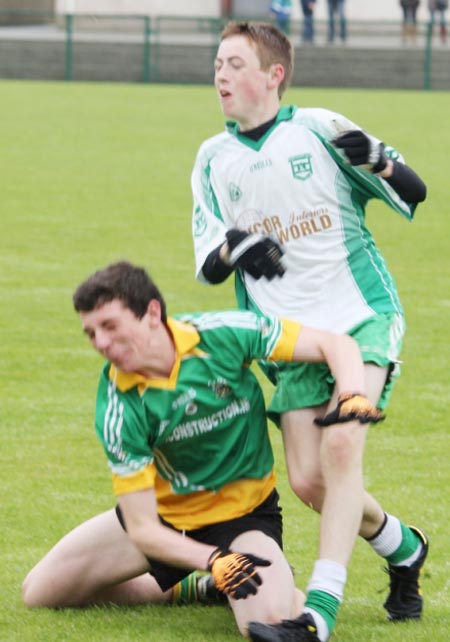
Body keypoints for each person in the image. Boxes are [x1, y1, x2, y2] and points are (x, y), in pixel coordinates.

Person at [191, 20, 428, 642]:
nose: (221, 74)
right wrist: (238, 247)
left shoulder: (320, 128)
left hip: (362, 315)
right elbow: (209, 261)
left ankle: (316, 617)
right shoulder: (213, 159)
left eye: (235, 63)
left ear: (273, 75)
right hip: (291, 341)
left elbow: (414, 191)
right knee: (310, 482)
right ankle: (402, 547)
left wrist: (379, 159)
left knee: (343, 448)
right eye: (217, 63)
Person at [22, 260, 384, 639]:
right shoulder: (118, 403)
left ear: (152, 313)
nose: (101, 343)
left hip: (243, 518)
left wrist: (351, 394)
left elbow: (335, 343)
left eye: (110, 326)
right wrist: (212, 562)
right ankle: (196, 587)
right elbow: (144, 528)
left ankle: (273, 583)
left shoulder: (220, 335)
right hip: (168, 521)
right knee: (41, 593)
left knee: (270, 627)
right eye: (91, 333)